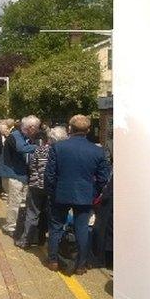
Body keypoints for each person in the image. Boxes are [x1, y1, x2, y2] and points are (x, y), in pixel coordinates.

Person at [44, 115, 111, 274]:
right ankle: (81, 265)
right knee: (82, 229)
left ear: (70, 128)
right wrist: (94, 193)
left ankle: (53, 260)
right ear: (88, 130)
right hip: (85, 195)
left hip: (60, 193)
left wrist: (52, 192)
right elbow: (103, 178)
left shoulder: (58, 147)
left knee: (56, 227)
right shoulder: (97, 151)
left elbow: (50, 175)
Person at [18, 126, 66, 248]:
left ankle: (26, 240)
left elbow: (32, 166)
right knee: (51, 215)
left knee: (32, 213)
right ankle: (47, 241)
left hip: (36, 185)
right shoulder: (63, 152)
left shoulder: (40, 150)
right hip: (53, 187)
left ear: (50, 138)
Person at [0, 115, 40, 234]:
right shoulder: (15, 136)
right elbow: (21, 148)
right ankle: (11, 227)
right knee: (14, 202)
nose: (37, 130)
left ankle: (18, 224)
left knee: (22, 202)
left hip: (22, 175)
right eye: (36, 128)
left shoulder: (27, 138)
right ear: (30, 127)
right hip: (12, 174)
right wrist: (40, 147)